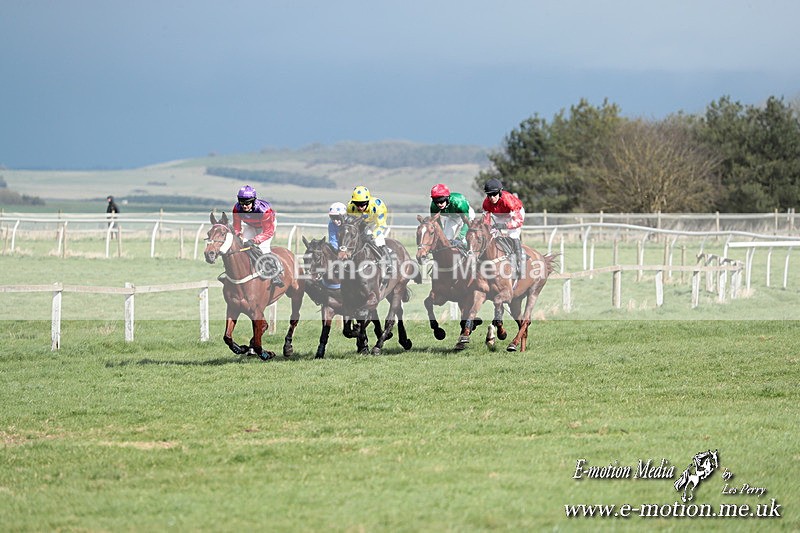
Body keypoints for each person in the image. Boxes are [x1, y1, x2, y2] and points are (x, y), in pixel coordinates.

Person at [231, 185, 283, 287]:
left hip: (267, 228)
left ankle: (275, 275)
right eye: (242, 202)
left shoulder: (263, 211)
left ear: (253, 201)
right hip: (251, 225)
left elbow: (268, 231)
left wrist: (255, 240)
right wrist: (238, 235)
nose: (244, 206)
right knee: (243, 245)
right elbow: (236, 227)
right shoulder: (237, 209)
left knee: (262, 248)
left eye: (247, 203)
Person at [481, 178, 526, 278]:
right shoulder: (486, 203)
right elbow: (486, 222)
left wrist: (505, 226)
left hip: (514, 214)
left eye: (494, 194)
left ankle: (519, 264)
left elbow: (518, 221)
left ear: (500, 192)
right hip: (499, 215)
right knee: (492, 235)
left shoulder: (508, 200)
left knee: (513, 235)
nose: (492, 197)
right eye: (489, 195)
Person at [346, 185, 393, 273]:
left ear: (368, 201)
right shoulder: (350, 207)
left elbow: (381, 224)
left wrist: (373, 235)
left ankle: (388, 263)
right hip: (362, 223)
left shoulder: (378, 206)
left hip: (376, 223)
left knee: (378, 240)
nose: (360, 207)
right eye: (357, 204)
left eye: (362, 204)